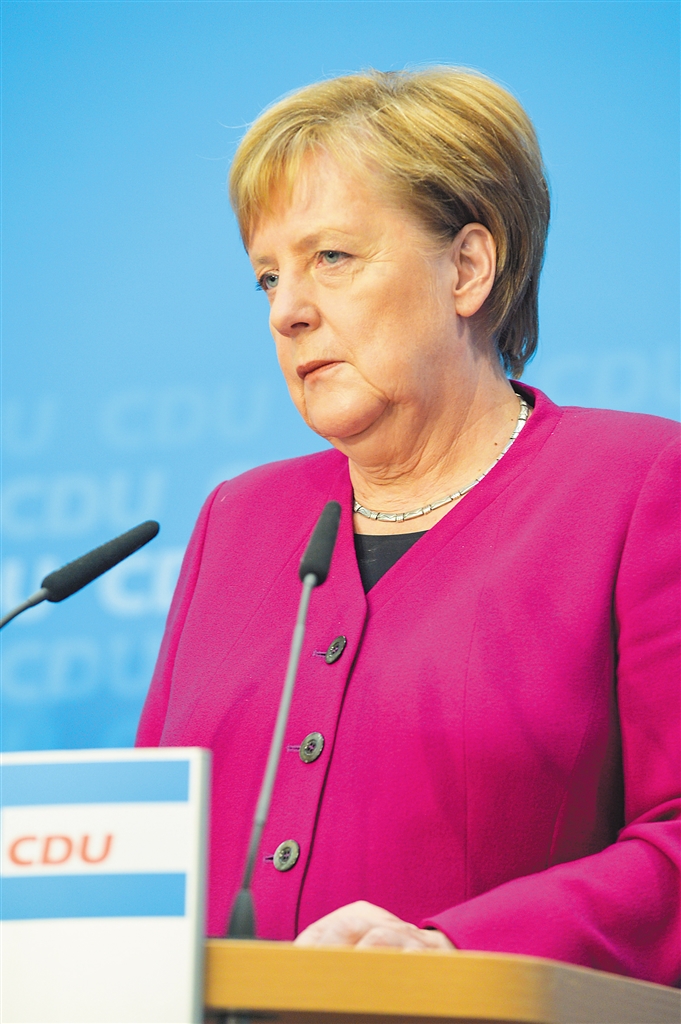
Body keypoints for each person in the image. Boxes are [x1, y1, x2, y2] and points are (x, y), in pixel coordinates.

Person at [136, 67, 680, 984]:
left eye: (330, 258)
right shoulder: (238, 520)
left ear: (467, 268)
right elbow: (148, 853)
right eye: (267, 276)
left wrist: (451, 953)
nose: (286, 310)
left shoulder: (637, 486)